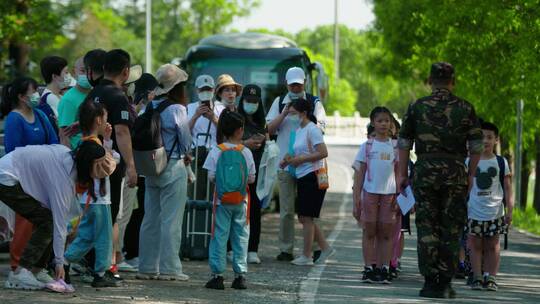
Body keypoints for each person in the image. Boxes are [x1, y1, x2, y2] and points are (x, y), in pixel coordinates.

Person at [398, 62, 484, 298]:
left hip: (425, 172)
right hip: (455, 174)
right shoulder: (465, 108)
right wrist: (470, 175)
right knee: (451, 228)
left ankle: (429, 282)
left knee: (427, 226)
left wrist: (401, 175)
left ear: (429, 81)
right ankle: (445, 283)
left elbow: (404, 143)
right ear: (453, 81)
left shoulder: (417, 106)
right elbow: (477, 146)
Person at [0, 143, 109, 290]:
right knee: (49, 222)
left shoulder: (68, 157)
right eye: (97, 166)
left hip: (11, 169)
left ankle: (36, 270)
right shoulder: (62, 178)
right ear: (87, 165)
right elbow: (59, 224)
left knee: (47, 220)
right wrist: (59, 263)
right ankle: (21, 272)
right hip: (6, 177)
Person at [0, 76, 59, 286]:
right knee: (25, 222)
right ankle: (18, 268)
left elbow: (53, 141)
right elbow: (14, 151)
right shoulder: (14, 119)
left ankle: (37, 268)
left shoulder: (41, 115)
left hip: (42, 177)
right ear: (21, 96)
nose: (36, 95)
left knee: (48, 221)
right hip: (21, 179)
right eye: (33, 91)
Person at [137, 64, 192, 281]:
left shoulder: (148, 107)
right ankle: (171, 269)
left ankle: (147, 267)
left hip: (151, 168)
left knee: (150, 219)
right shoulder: (177, 109)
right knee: (171, 221)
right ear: (177, 87)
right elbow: (186, 142)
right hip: (173, 167)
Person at [84, 50, 137, 278]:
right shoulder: (118, 96)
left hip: (89, 161)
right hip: (110, 165)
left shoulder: (92, 94)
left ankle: (93, 263)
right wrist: (132, 166)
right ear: (125, 72)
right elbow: (122, 131)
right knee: (110, 216)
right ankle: (103, 268)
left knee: (94, 215)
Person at [266, 67, 326, 262]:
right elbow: (269, 129)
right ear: (287, 84)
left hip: (309, 166)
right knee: (286, 211)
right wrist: (284, 113)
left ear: (304, 83)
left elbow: (320, 130)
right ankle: (286, 249)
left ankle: (315, 248)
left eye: (299, 84)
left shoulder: (314, 103)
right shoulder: (279, 102)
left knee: (310, 210)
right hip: (285, 164)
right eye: (292, 84)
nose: (296, 87)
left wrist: (303, 114)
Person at [63, 100, 121, 289]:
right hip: (99, 200)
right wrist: (109, 144)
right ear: (98, 120)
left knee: (86, 236)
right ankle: (100, 273)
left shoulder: (83, 144)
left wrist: (106, 141)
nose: (106, 122)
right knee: (103, 236)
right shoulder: (94, 148)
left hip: (88, 199)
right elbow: (111, 162)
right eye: (105, 118)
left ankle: (64, 263)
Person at [203, 110, 256, 290]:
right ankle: (240, 276)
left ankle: (217, 275)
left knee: (219, 235)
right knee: (240, 236)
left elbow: (211, 176)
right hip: (241, 201)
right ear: (240, 130)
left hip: (221, 201)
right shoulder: (246, 152)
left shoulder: (217, 150)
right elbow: (251, 178)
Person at [279, 98, 334, 266]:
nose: (291, 116)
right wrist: (288, 160)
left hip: (313, 175)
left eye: (293, 113)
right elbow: (296, 151)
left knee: (307, 217)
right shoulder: (299, 130)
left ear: (303, 113)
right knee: (304, 217)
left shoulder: (312, 129)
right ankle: (324, 247)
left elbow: (323, 152)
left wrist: (302, 159)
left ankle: (307, 255)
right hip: (302, 175)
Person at [352, 106, 399, 283]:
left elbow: (401, 174)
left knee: (386, 233)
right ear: (373, 123)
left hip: (390, 195)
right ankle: (368, 268)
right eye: (380, 121)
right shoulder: (367, 146)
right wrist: (356, 199)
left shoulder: (395, 147)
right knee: (369, 231)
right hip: (370, 194)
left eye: (387, 120)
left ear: (391, 123)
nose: (383, 124)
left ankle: (383, 268)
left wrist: (400, 197)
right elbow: (359, 175)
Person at [467, 120, 513, 292]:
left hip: (495, 211)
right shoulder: (469, 161)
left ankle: (491, 277)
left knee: (493, 245)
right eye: (481, 137)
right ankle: (477, 277)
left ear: (496, 140)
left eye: (489, 137)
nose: (485, 141)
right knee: (475, 244)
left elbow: (508, 187)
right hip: (474, 210)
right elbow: (466, 186)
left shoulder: (501, 163)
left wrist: (510, 209)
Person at [237, 84, 267, 264]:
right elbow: (228, 141)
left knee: (255, 210)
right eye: (248, 100)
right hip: (237, 171)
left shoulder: (262, 121)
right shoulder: (236, 118)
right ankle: (233, 248)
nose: (251, 104)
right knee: (235, 210)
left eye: (255, 101)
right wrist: (246, 143)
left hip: (257, 171)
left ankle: (253, 249)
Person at [187, 75, 225, 200]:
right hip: (196, 156)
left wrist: (213, 118)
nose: (205, 93)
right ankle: (195, 219)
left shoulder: (221, 108)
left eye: (208, 90)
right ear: (197, 90)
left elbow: (227, 133)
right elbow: (184, 132)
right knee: (195, 194)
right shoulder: (190, 108)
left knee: (213, 194)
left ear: (214, 90)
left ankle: (210, 219)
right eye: (203, 90)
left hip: (215, 155)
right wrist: (196, 116)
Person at [58, 50, 105, 149]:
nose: (87, 75)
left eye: (88, 71)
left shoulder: (95, 94)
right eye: (83, 71)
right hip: (79, 153)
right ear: (74, 72)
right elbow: (64, 135)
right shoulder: (68, 100)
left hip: (96, 151)